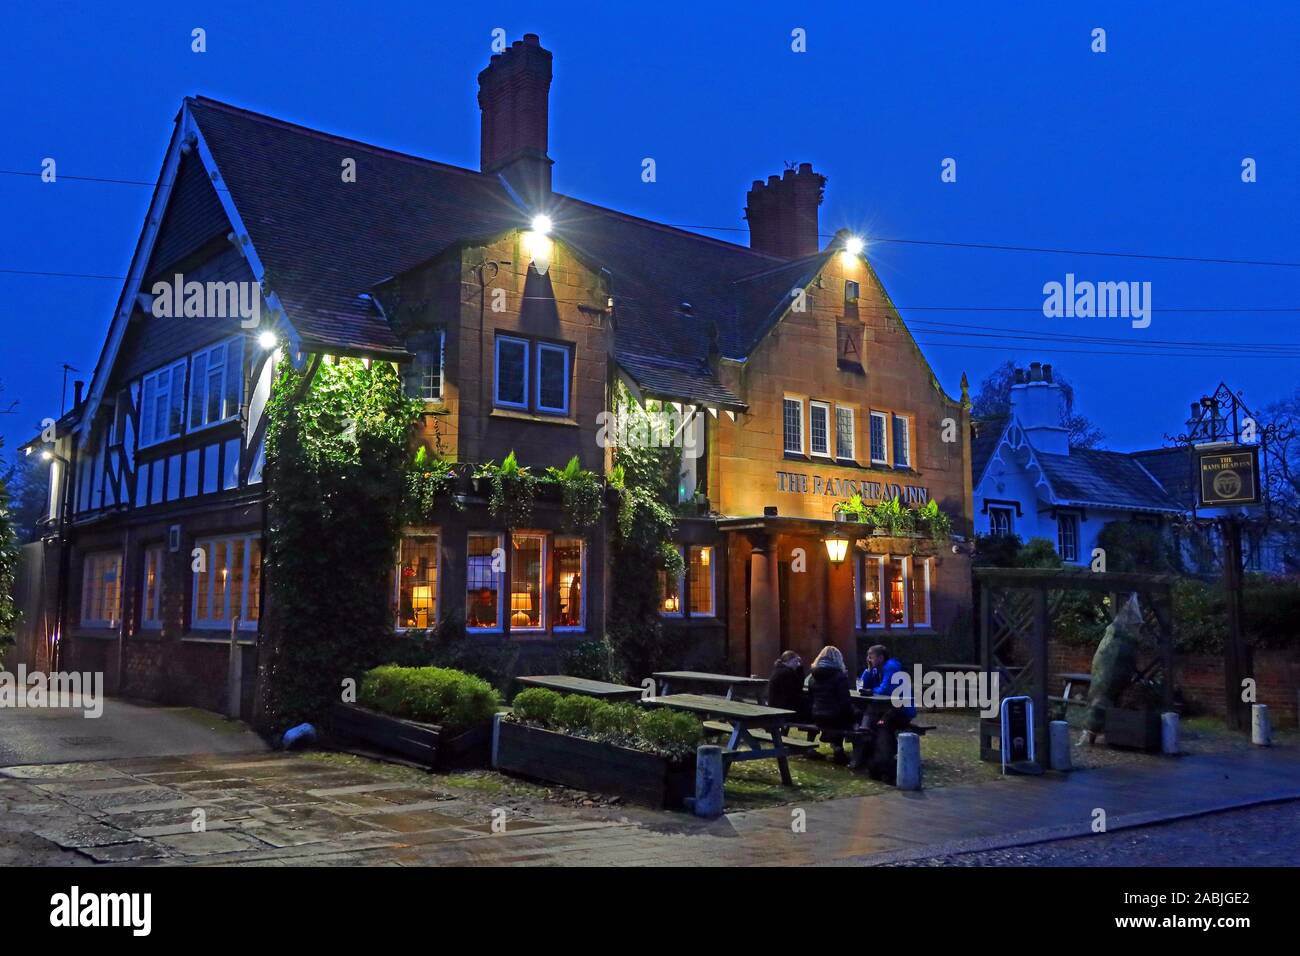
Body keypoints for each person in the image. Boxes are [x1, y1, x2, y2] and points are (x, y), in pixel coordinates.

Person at [808, 646, 855, 764]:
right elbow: (845, 702)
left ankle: (835, 747)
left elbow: (811, 698)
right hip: (835, 717)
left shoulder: (812, 676)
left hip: (817, 715)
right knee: (852, 716)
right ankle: (841, 749)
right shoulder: (839, 676)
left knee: (837, 716)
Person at [767, 651, 807, 720]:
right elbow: (796, 691)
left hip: (777, 707)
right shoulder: (787, 673)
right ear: (789, 661)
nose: (797, 664)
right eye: (796, 661)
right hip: (784, 710)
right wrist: (800, 669)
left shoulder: (779, 670)